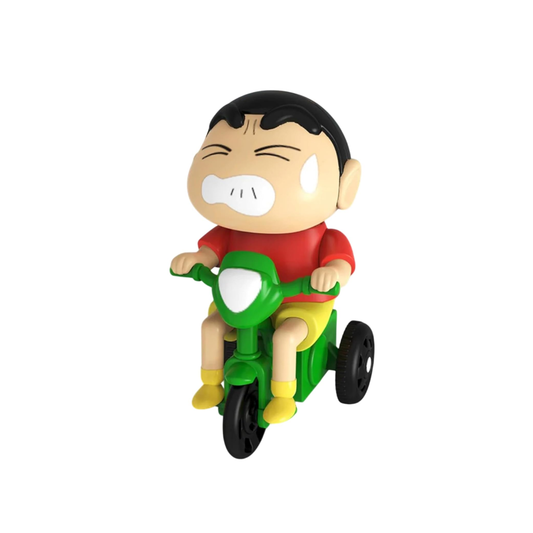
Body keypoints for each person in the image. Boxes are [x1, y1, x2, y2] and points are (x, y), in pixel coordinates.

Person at [171, 90, 361, 424]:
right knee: (211, 326)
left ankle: (284, 396)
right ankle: (210, 383)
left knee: (285, 337)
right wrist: (199, 258)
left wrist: (332, 272)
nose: (239, 173)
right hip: (242, 299)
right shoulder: (231, 228)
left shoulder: (322, 236)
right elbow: (212, 250)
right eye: (220, 153)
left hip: (300, 300)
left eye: (273, 156)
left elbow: (340, 263)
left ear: (345, 184)